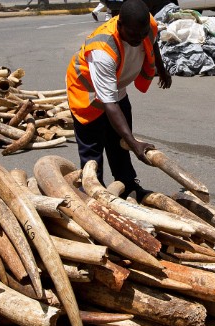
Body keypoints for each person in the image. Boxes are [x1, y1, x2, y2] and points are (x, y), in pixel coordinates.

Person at [66, 0, 172, 199]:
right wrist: (135, 143)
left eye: (142, 34)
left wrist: (162, 69)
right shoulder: (103, 48)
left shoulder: (146, 25)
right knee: (92, 150)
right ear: (120, 24)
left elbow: (153, 43)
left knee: (120, 143)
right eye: (133, 35)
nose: (139, 39)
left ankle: (128, 185)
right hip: (87, 93)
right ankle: (93, 192)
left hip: (115, 87)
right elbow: (109, 104)